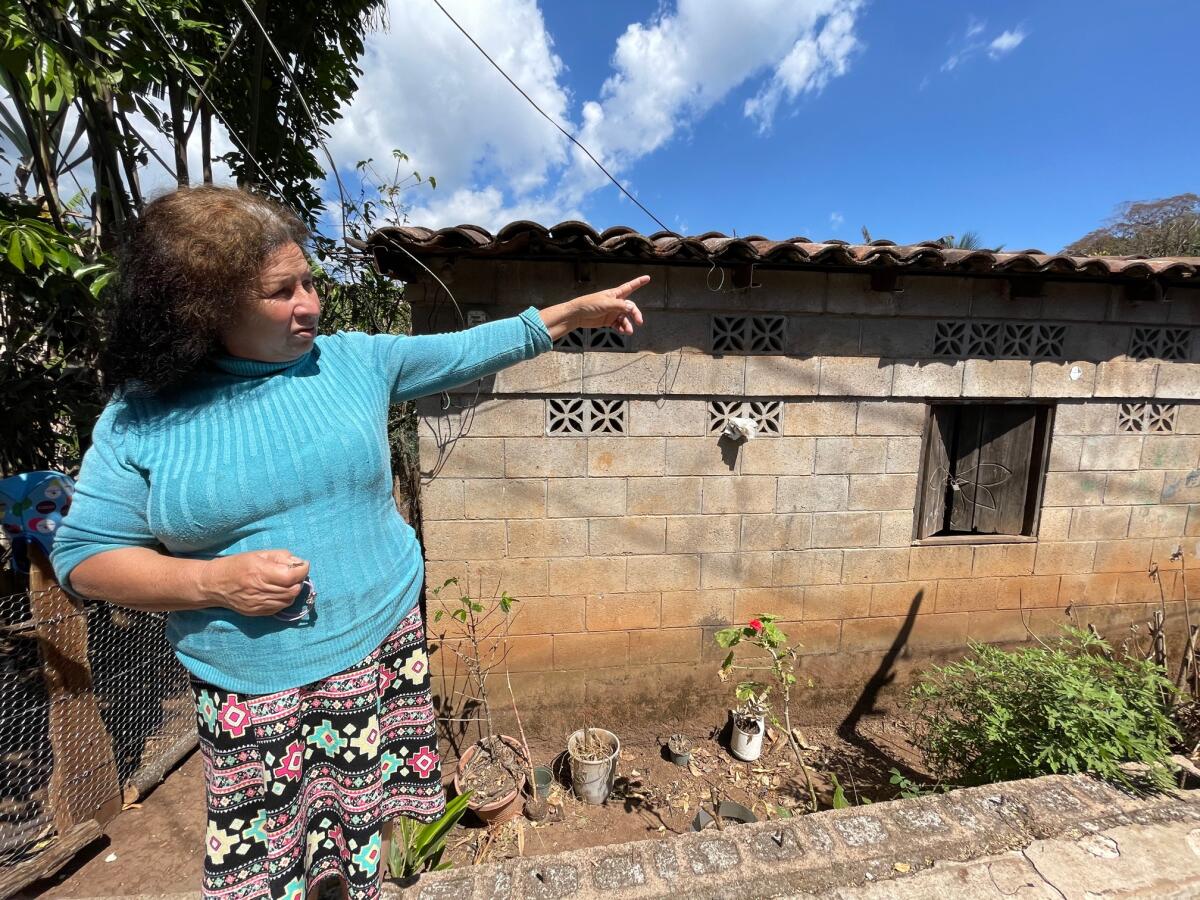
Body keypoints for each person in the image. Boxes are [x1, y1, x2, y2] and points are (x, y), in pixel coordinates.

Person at [50, 185, 647, 900]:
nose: (310, 303)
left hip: (378, 647)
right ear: (203, 306)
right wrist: (213, 583)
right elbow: (83, 559)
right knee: (271, 868)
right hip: (254, 687)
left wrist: (571, 315)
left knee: (364, 837)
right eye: (281, 291)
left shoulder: (351, 362)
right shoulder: (143, 415)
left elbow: (466, 350)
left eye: (310, 281)